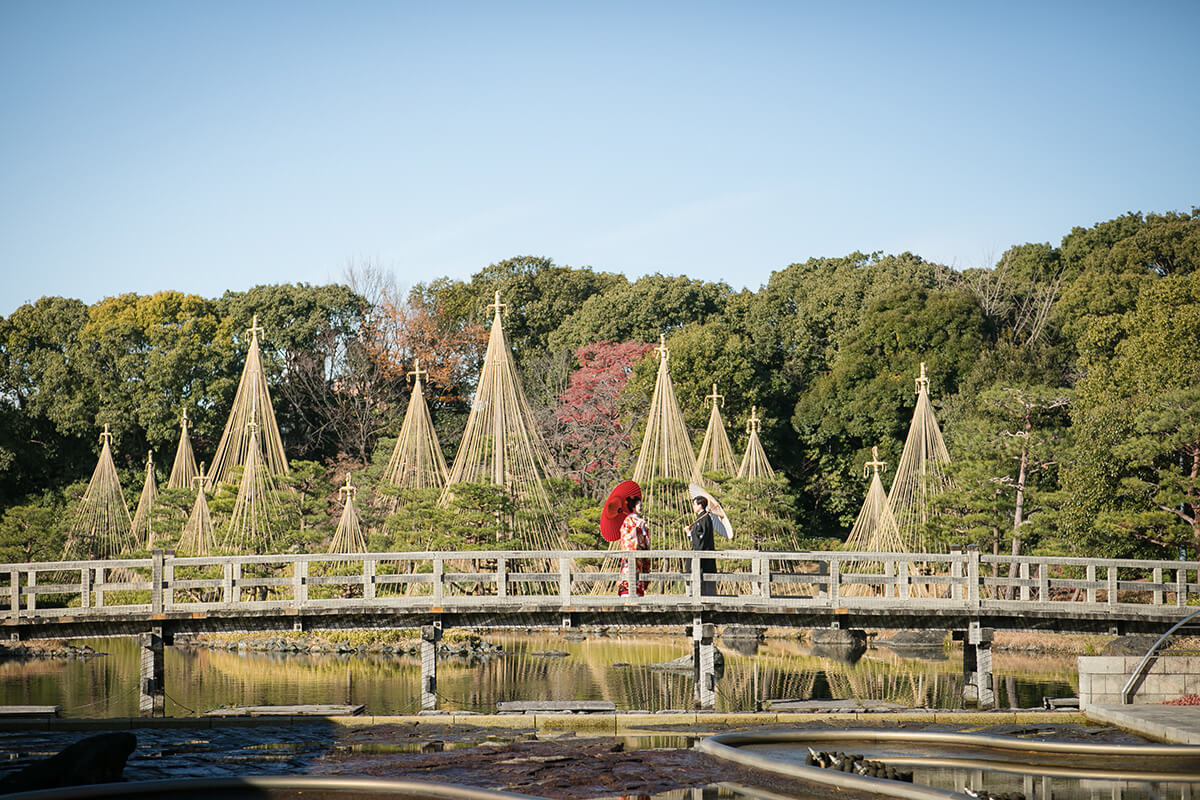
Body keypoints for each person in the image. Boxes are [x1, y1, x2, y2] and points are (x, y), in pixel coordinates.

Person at [617, 497, 650, 597]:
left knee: (639, 575)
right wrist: (635, 529)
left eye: (641, 505)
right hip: (631, 554)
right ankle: (626, 594)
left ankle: (638, 592)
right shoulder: (628, 520)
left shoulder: (640, 520)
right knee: (629, 574)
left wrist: (644, 530)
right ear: (633, 507)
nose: (641, 507)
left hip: (640, 555)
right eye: (639, 505)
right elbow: (626, 537)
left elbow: (646, 541)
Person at [684, 496, 716, 596]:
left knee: (699, 574)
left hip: (703, 554)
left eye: (694, 504)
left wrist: (689, 533)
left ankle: (695, 595)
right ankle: (693, 594)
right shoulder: (702, 518)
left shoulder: (704, 518)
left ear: (700, 505)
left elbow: (701, 538)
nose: (693, 506)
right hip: (702, 553)